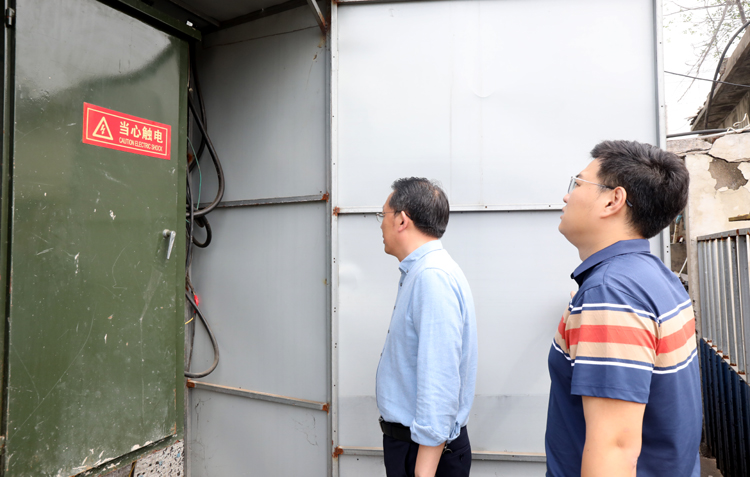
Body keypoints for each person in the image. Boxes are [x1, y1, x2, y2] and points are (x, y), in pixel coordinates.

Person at [545, 140, 702, 477]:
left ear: (613, 200)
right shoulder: (654, 277)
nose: (567, 196)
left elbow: (614, 449)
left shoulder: (612, 293)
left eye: (578, 184)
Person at [375, 177, 478, 477]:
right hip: (416, 448)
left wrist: (423, 470)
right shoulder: (423, 271)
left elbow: (440, 381)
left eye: (383, 215)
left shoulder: (431, 277)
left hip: (423, 454)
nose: (380, 225)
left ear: (401, 220)